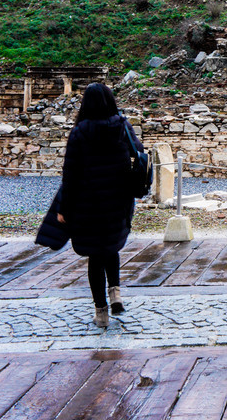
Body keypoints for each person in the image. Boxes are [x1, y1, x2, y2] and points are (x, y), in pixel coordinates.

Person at [55, 82, 143, 328]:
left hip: (87, 203)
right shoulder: (122, 125)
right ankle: (116, 294)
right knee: (111, 246)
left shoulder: (79, 132)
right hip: (117, 199)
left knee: (95, 255)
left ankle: (101, 312)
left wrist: (64, 207)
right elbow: (139, 151)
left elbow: (70, 175)